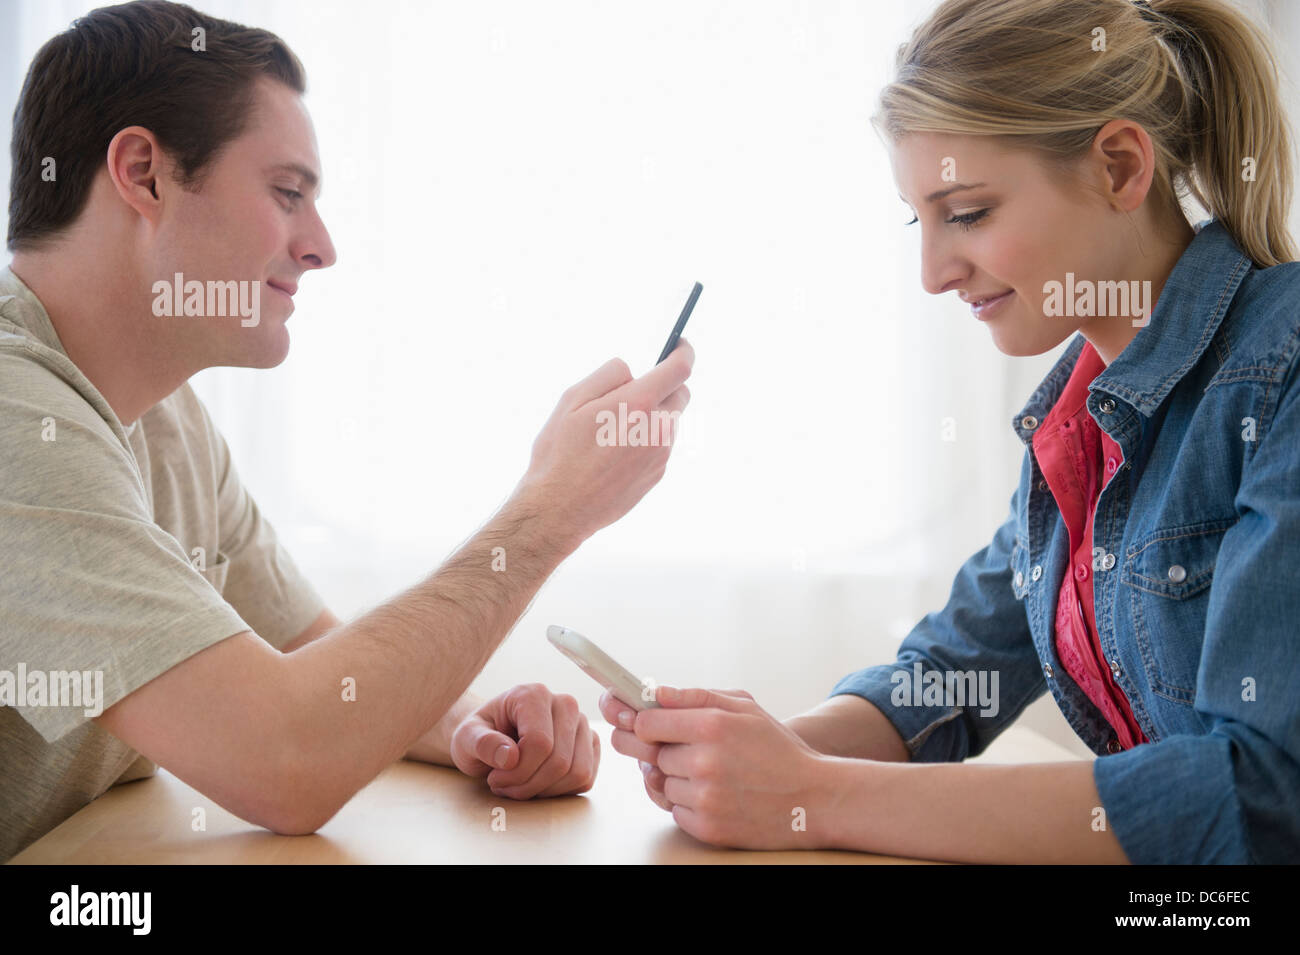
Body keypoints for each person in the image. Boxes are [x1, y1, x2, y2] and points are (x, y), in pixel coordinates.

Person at [601, 0, 1299, 864]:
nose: (933, 273)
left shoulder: (1285, 370)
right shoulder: (1077, 425)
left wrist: (811, 795)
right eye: (917, 220)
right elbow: (955, 673)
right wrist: (757, 751)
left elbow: (1263, 796)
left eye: (965, 212)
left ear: (1121, 167)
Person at [0, 0, 693, 861]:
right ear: (142, 173)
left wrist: (469, 723)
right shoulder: (16, 421)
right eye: (288, 193)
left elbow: (307, 652)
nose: (322, 246)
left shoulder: (163, 415)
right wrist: (554, 508)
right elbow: (285, 758)